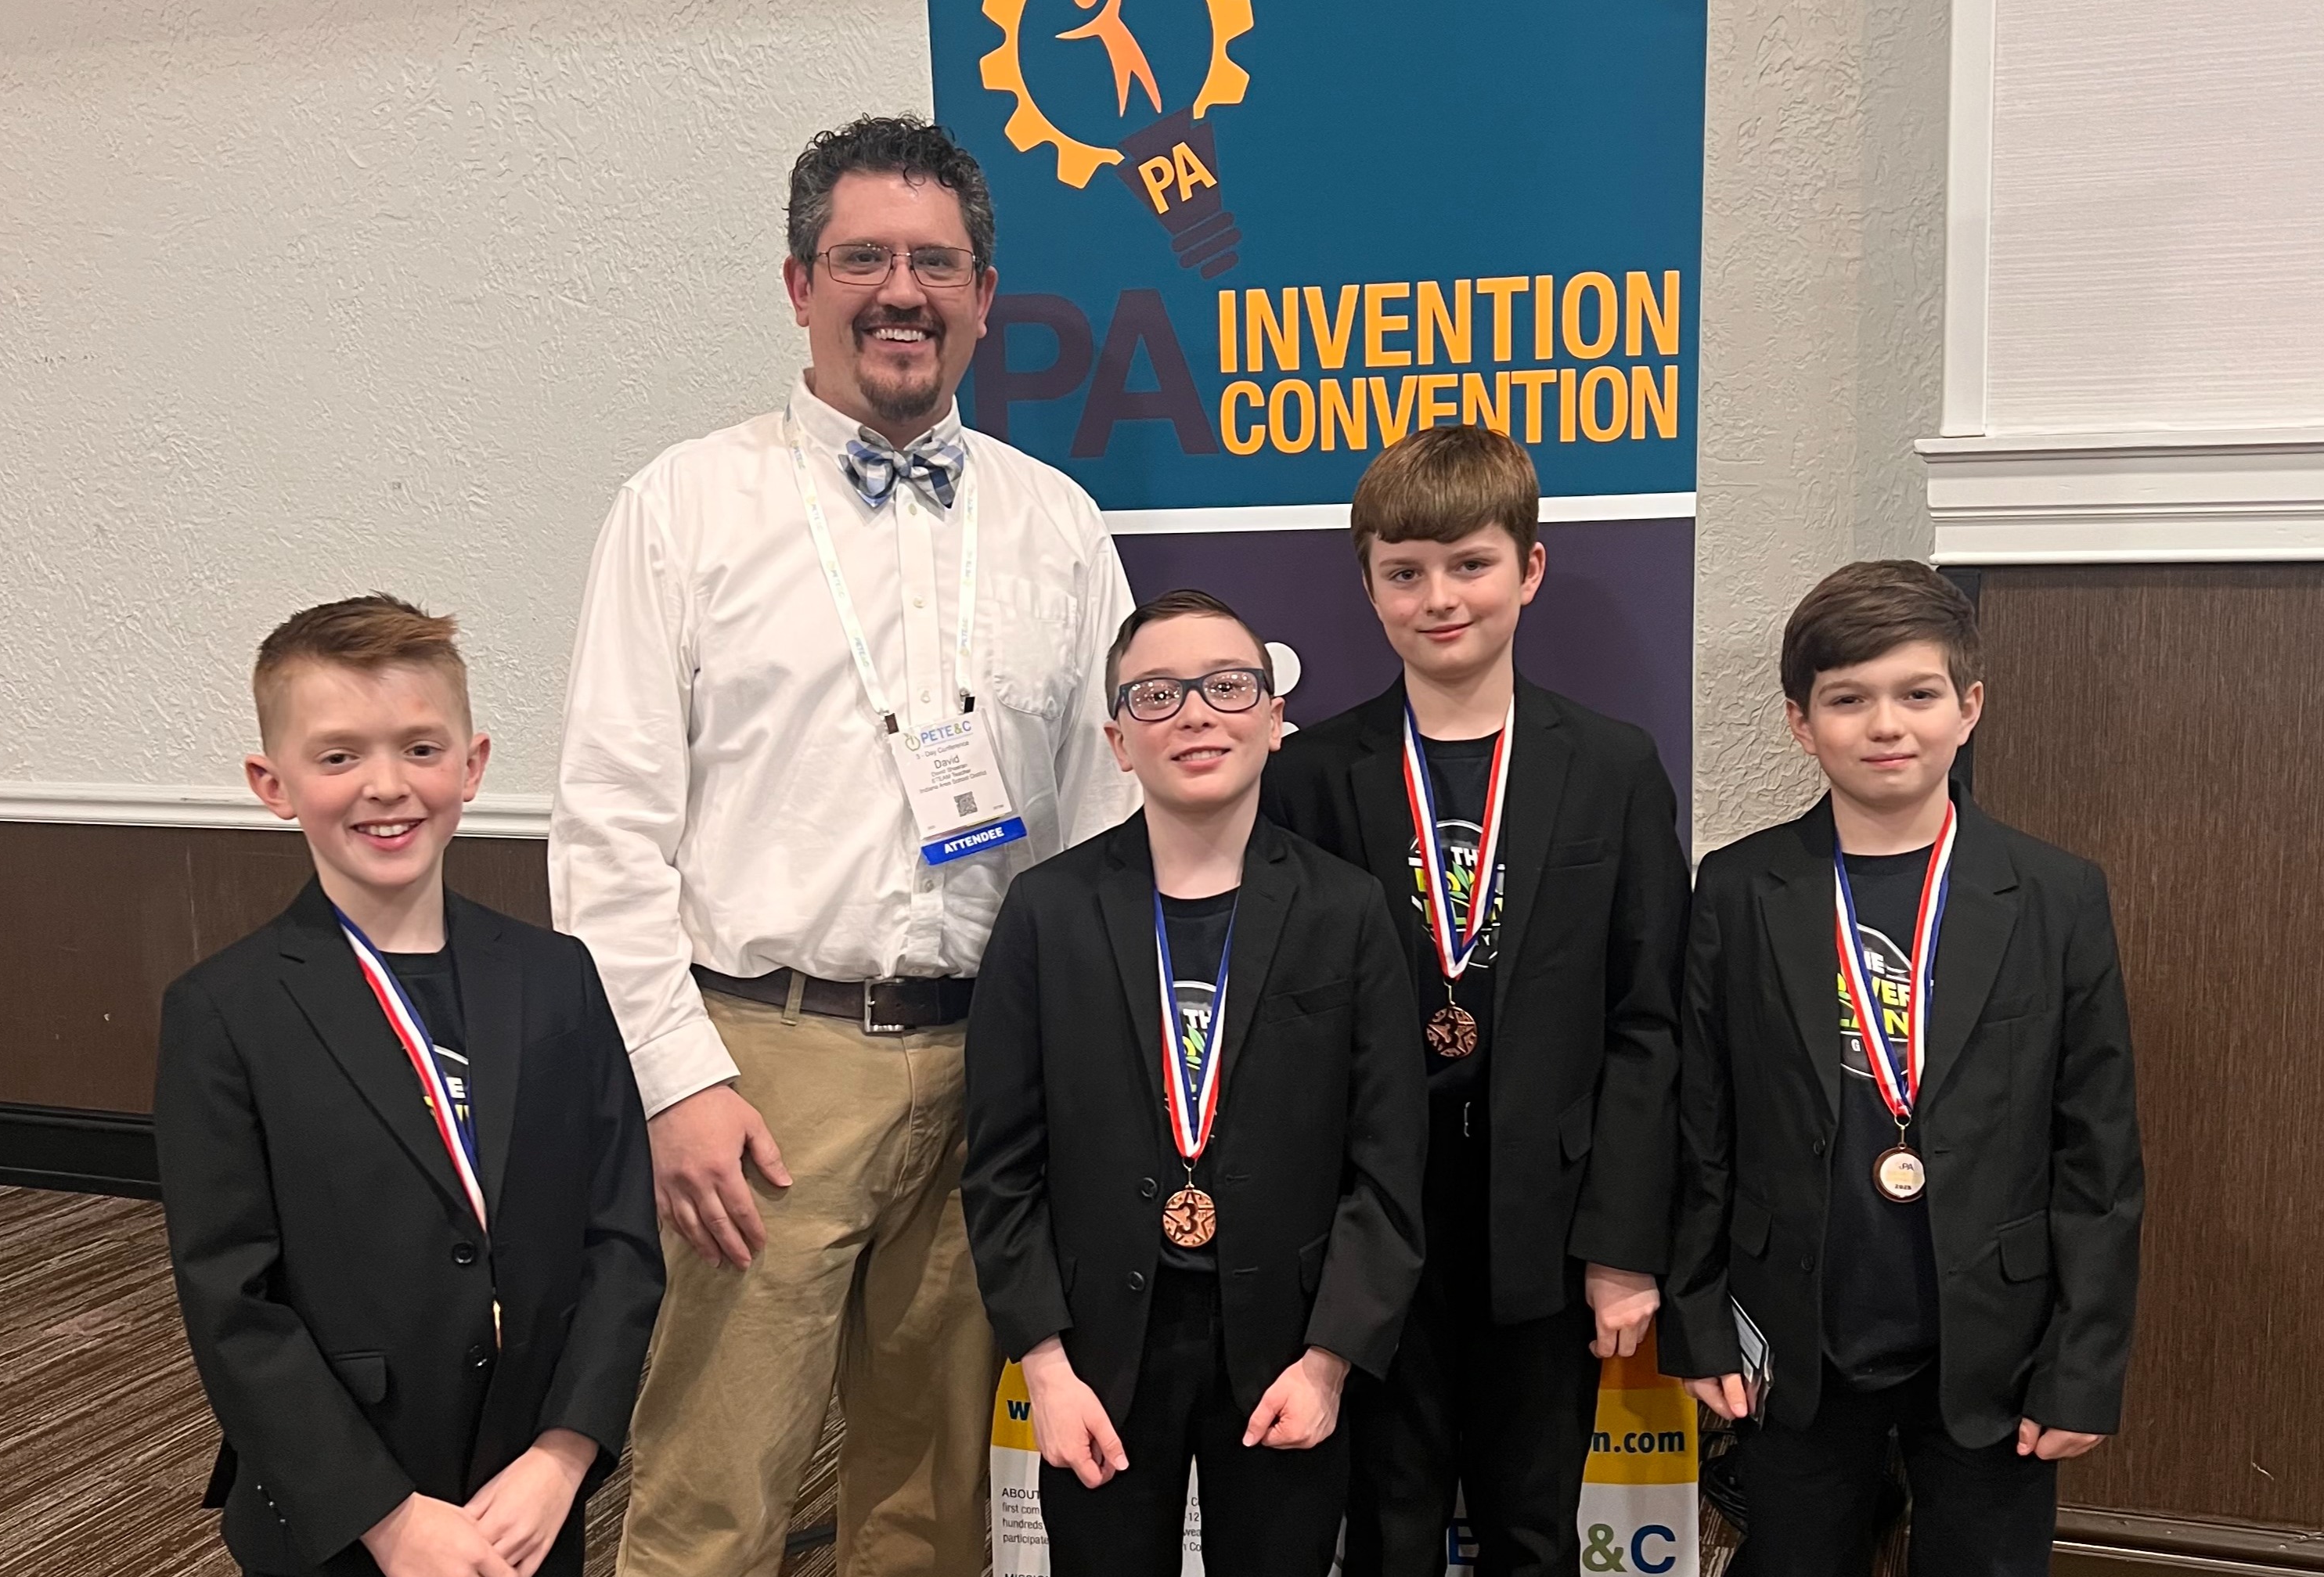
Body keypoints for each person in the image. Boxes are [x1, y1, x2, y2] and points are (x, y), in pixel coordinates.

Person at [549, 115, 1139, 1577]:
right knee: (713, 1493)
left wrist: (1079, 1085)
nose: (901, 292)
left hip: (992, 1069)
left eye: (935, 263)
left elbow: (1106, 828)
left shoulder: (1055, 527)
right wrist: (677, 1081)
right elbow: (608, 826)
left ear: (985, 297)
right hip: (762, 1069)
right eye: (864, 257)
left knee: (934, 1504)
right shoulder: (682, 509)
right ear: (799, 282)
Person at [155, 595, 663, 1577]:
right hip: (339, 1512)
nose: (386, 786)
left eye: (420, 748)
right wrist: (386, 1516)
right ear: (274, 782)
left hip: (525, 1491)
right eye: (338, 755)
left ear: (471, 765)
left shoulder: (557, 976)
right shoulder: (225, 1011)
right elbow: (231, 1299)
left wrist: (565, 1453)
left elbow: (622, 1241)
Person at [1262, 424, 1690, 1575]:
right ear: (1365, 585)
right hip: (1372, 1223)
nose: (1437, 597)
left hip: (1546, 1229)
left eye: (1468, 564)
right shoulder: (1310, 777)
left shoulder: (1610, 765)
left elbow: (1646, 1022)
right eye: (1402, 572)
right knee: (1386, 1526)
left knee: (1532, 1525)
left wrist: (1620, 1246)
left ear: (1528, 570)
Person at [1660, 560, 2143, 1576]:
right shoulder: (1740, 888)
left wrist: (2081, 1365)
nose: (1885, 723)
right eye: (1846, 697)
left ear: (1966, 706)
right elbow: (1699, 1127)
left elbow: (2095, 1153)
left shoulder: (2053, 894)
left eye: (1916, 693)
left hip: (1993, 1346)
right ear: (1799, 720)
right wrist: (1696, 1319)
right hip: (1795, 1338)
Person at [963, 589, 1428, 1575]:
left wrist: (1331, 1359)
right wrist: (1043, 1367)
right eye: (1157, 694)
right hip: (1098, 1355)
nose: (1195, 712)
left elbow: (1387, 1163)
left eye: (1226, 685)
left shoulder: (1346, 911)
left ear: (1272, 718)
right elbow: (1001, 1166)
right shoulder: (1046, 914)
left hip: (1288, 1351)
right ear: (1118, 739)